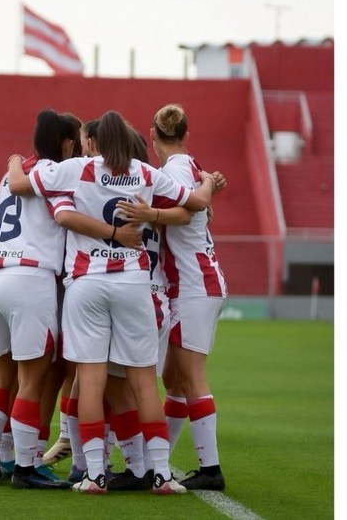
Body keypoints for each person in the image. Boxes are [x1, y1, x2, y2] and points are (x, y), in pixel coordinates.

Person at [6, 110, 216, 495]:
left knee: (89, 381)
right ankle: (161, 476)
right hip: (135, 284)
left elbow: (19, 185)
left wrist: (15, 161)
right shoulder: (145, 172)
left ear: (96, 142)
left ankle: (95, 475)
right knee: (143, 384)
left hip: (88, 283)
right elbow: (196, 202)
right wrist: (207, 181)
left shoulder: (79, 169)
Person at [0, 109, 141, 490]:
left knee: (2, 374)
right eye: (78, 140)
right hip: (29, 277)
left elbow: (20, 185)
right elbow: (68, 218)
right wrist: (116, 233)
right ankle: (26, 467)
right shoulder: (60, 175)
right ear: (67, 143)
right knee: (36, 379)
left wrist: (16, 159)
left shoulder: (12, 173)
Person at [145, 103, 229, 491]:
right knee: (174, 378)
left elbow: (184, 210)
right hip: (196, 283)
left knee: (191, 378)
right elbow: (198, 203)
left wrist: (146, 211)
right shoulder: (190, 165)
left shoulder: (174, 170)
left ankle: (210, 469)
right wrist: (209, 184)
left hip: (195, 284)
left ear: (152, 134)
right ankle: (159, 463)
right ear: (186, 135)